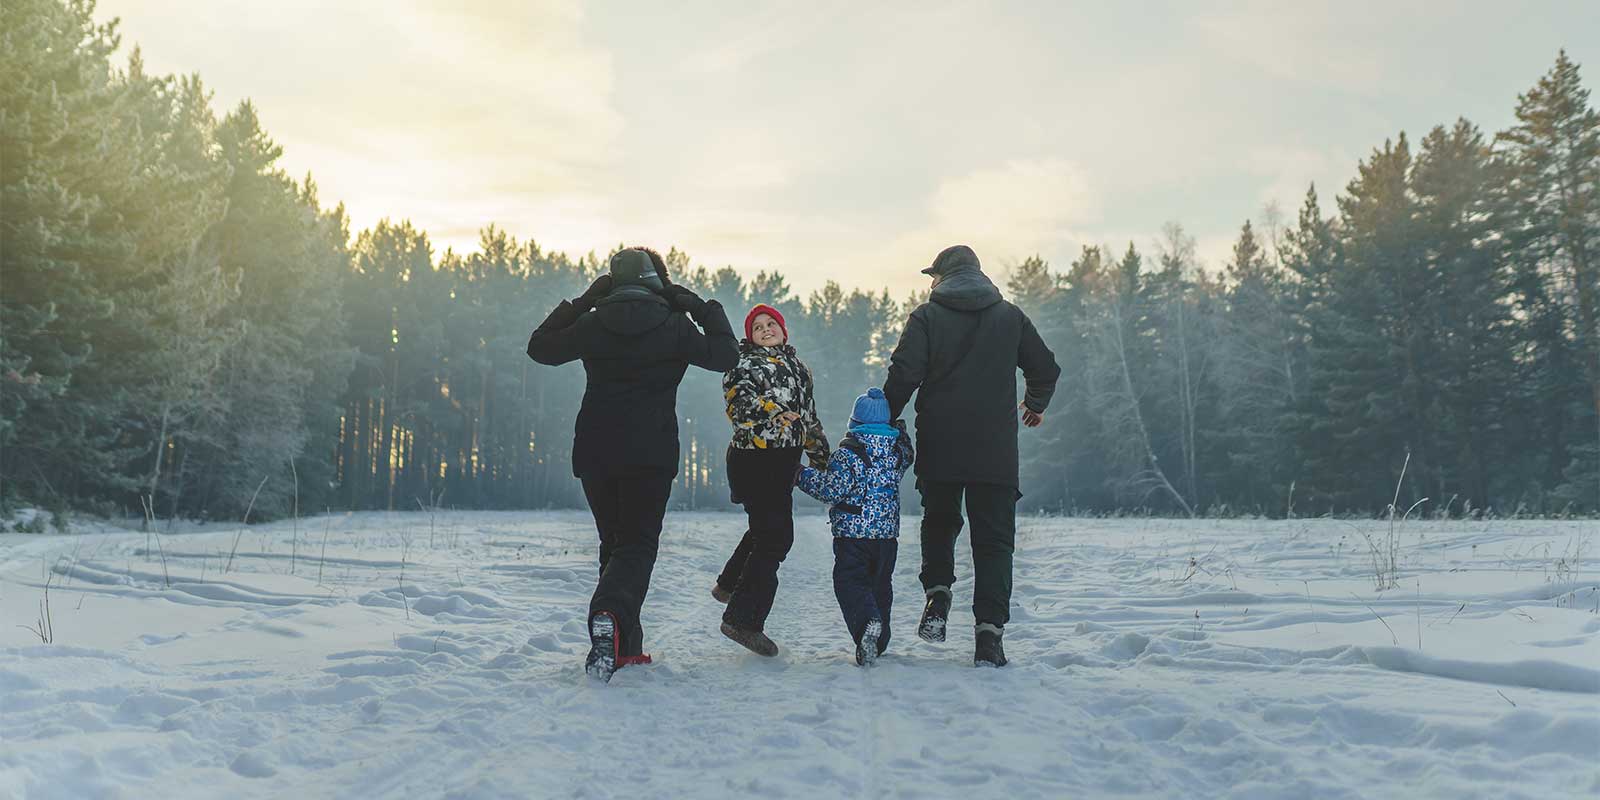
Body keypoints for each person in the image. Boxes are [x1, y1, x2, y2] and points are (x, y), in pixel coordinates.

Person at [526, 247, 738, 682]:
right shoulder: (676, 325)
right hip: (650, 452)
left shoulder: (592, 322)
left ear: (611, 280)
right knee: (637, 546)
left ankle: (622, 645)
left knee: (615, 545)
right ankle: (609, 613)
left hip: (595, 451)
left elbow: (540, 348)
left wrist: (583, 300)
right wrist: (697, 305)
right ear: (659, 281)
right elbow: (727, 355)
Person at [882, 244, 1060, 667]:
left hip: (941, 442)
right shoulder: (1010, 316)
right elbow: (1046, 368)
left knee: (940, 522)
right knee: (994, 541)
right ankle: (989, 636)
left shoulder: (926, 317)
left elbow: (904, 373)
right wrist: (1034, 403)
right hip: (994, 450)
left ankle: (938, 596)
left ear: (941, 277)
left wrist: (883, 419)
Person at [712, 303, 830, 657]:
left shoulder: (799, 368)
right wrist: (778, 414)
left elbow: (808, 416)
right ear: (749, 335)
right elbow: (739, 408)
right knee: (777, 537)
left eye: (771, 323)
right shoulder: (742, 365)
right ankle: (743, 620)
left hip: (783, 462)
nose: (765, 329)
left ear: (783, 329)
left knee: (765, 529)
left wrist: (821, 456)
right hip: (753, 458)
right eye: (757, 326)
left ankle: (729, 585)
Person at [796, 387, 913, 666]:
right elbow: (909, 452)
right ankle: (878, 641)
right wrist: (901, 430)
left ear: (854, 424)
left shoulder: (848, 454)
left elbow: (832, 490)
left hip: (853, 536)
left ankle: (866, 625)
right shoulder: (895, 452)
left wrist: (801, 475)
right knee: (880, 586)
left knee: (850, 583)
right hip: (887, 537)